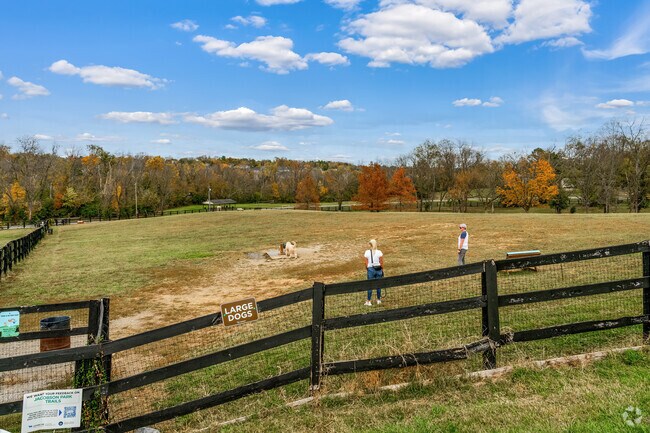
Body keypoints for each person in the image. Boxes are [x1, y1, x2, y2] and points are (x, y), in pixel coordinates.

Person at [364, 239, 384, 306]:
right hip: (378, 269)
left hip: (371, 269)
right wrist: (381, 269)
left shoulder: (367, 252)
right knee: (378, 285)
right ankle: (378, 299)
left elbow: (366, 262)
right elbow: (381, 262)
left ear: (371, 245)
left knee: (370, 285)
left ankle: (369, 301)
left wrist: (368, 268)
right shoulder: (379, 252)